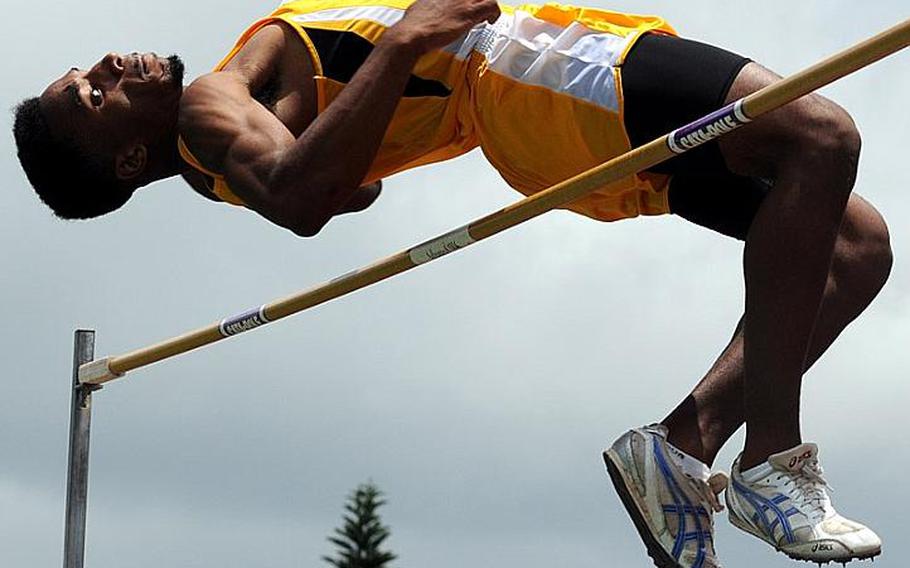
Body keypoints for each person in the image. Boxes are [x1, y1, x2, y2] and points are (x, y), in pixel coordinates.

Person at [13, 1, 891, 566]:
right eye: (93, 95)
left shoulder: (224, 145)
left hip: (529, 98)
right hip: (523, 70)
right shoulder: (212, 103)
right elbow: (306, 197)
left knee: (853, 246)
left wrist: (334, 90)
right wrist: (400, 42)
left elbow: (348, 187)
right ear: (131, 158)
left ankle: (682, 445)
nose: (108, 65)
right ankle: (774, 458)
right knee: (820, 136)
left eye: (87, 70)